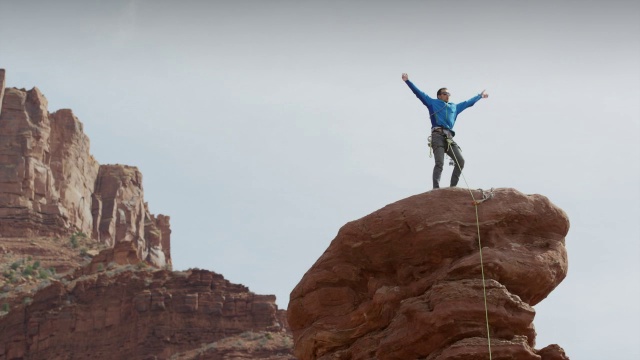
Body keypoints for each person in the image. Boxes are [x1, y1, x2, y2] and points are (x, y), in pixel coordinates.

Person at [401, 73, 488, 189]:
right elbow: (419, 93)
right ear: (439, 96)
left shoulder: (454, 107)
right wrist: (407, 81)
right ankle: (436, 188)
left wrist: (479, 96)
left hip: (449, 138)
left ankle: (452, 188)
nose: (448, 96)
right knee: (439, 163)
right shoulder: (432, 103)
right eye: (445, 94)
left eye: (449, 94)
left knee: (460, 161)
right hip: (437, 136)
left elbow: (468, 103)